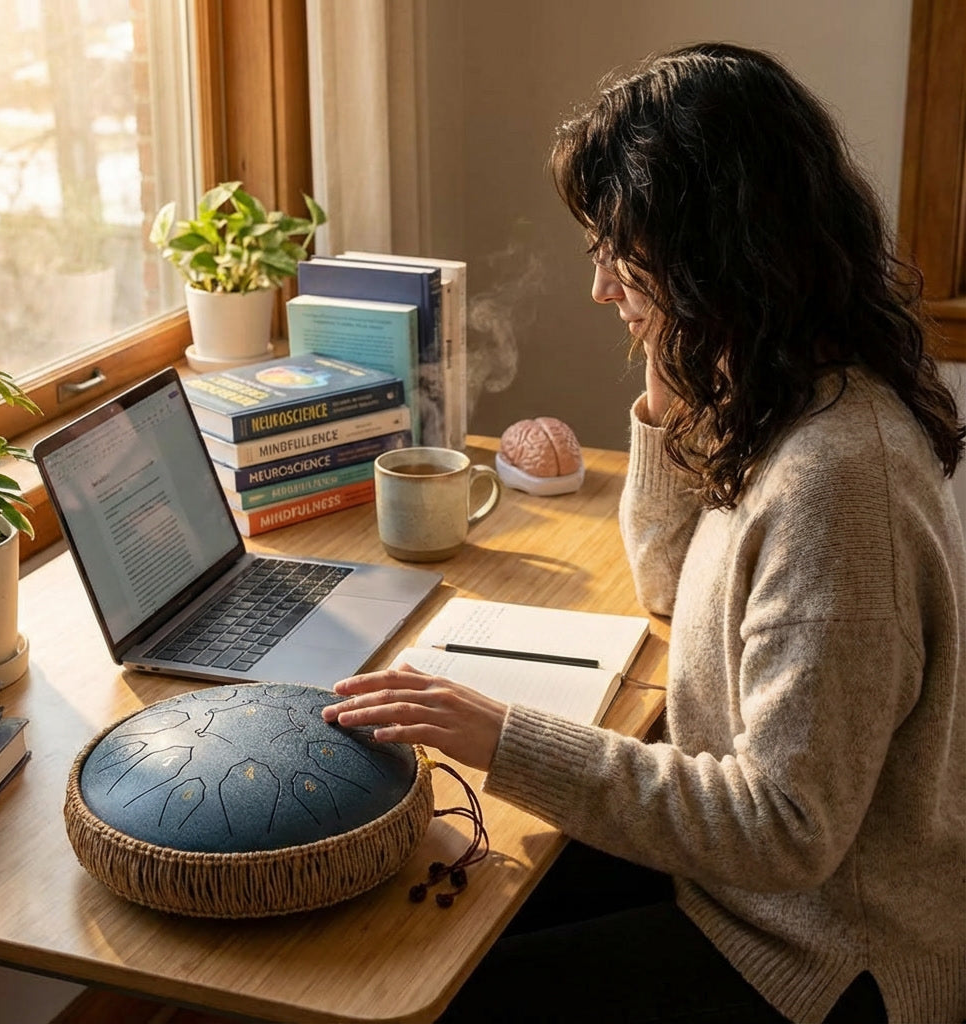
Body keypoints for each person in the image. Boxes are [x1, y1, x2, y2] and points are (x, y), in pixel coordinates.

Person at [321, 42, 966, 1024]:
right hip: (743, 894)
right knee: (444, 902)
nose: (599, 289)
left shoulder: (838, 481)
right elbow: (670, 587)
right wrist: (668, 398)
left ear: (711, 254)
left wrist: (498, 734)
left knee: (427, 979)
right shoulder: (784, 401)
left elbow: (785, 827)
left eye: (616, 254)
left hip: (821, 959)